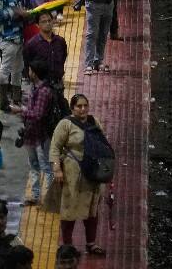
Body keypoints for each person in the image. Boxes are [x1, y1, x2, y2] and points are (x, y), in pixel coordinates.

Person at [48, 94, 106, 255]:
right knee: (69, 208)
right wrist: (57, 169)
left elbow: (103, 144)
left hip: (92, 174)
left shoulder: (94, 122)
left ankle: (91, 243)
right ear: (72, 108)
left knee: (92, 209)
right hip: (71, 174)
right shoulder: (65, 124)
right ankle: (67, 245)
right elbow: (55, 147)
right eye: (79, 106)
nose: (83, 109)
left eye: (85, 105)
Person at [12, 62, 55, 205]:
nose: (28, 72)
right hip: (31, 133)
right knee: (33, 165)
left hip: (41, 135)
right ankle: (36, 196)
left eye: (30, 70)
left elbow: (38, 114)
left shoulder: (43, 91)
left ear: (34, 73)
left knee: (46, 167)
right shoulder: (35, 88)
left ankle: (48, 198)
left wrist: (21, 110)